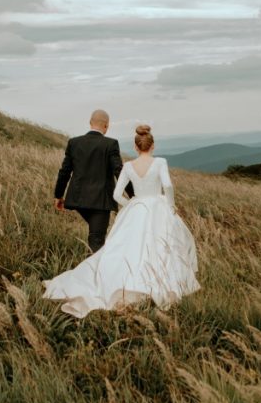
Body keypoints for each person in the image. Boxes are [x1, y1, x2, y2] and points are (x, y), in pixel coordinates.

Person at [44, 124, 200, 318]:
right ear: (153, 146)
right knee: (162, 244)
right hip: (158, 207)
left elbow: (117, 194)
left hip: (137, 207)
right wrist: (170, 205)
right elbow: (167, 185)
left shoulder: (128, 166)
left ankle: (128, 279)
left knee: (130, 246)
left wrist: (130, 205)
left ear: (136, 147)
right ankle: (159, 282)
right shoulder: (160, 162)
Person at [53, 109, 123, 253]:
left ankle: (95, 267)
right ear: (106, 126)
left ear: (90, 123)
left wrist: (58, 195)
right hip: (100, 202)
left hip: (78, 200)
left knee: (95, 234)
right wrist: (133, 194)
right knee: (97, 242)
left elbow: (64, 171)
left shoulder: (74, 143)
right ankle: (95, 273)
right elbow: (118, 171)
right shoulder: (111, 144)